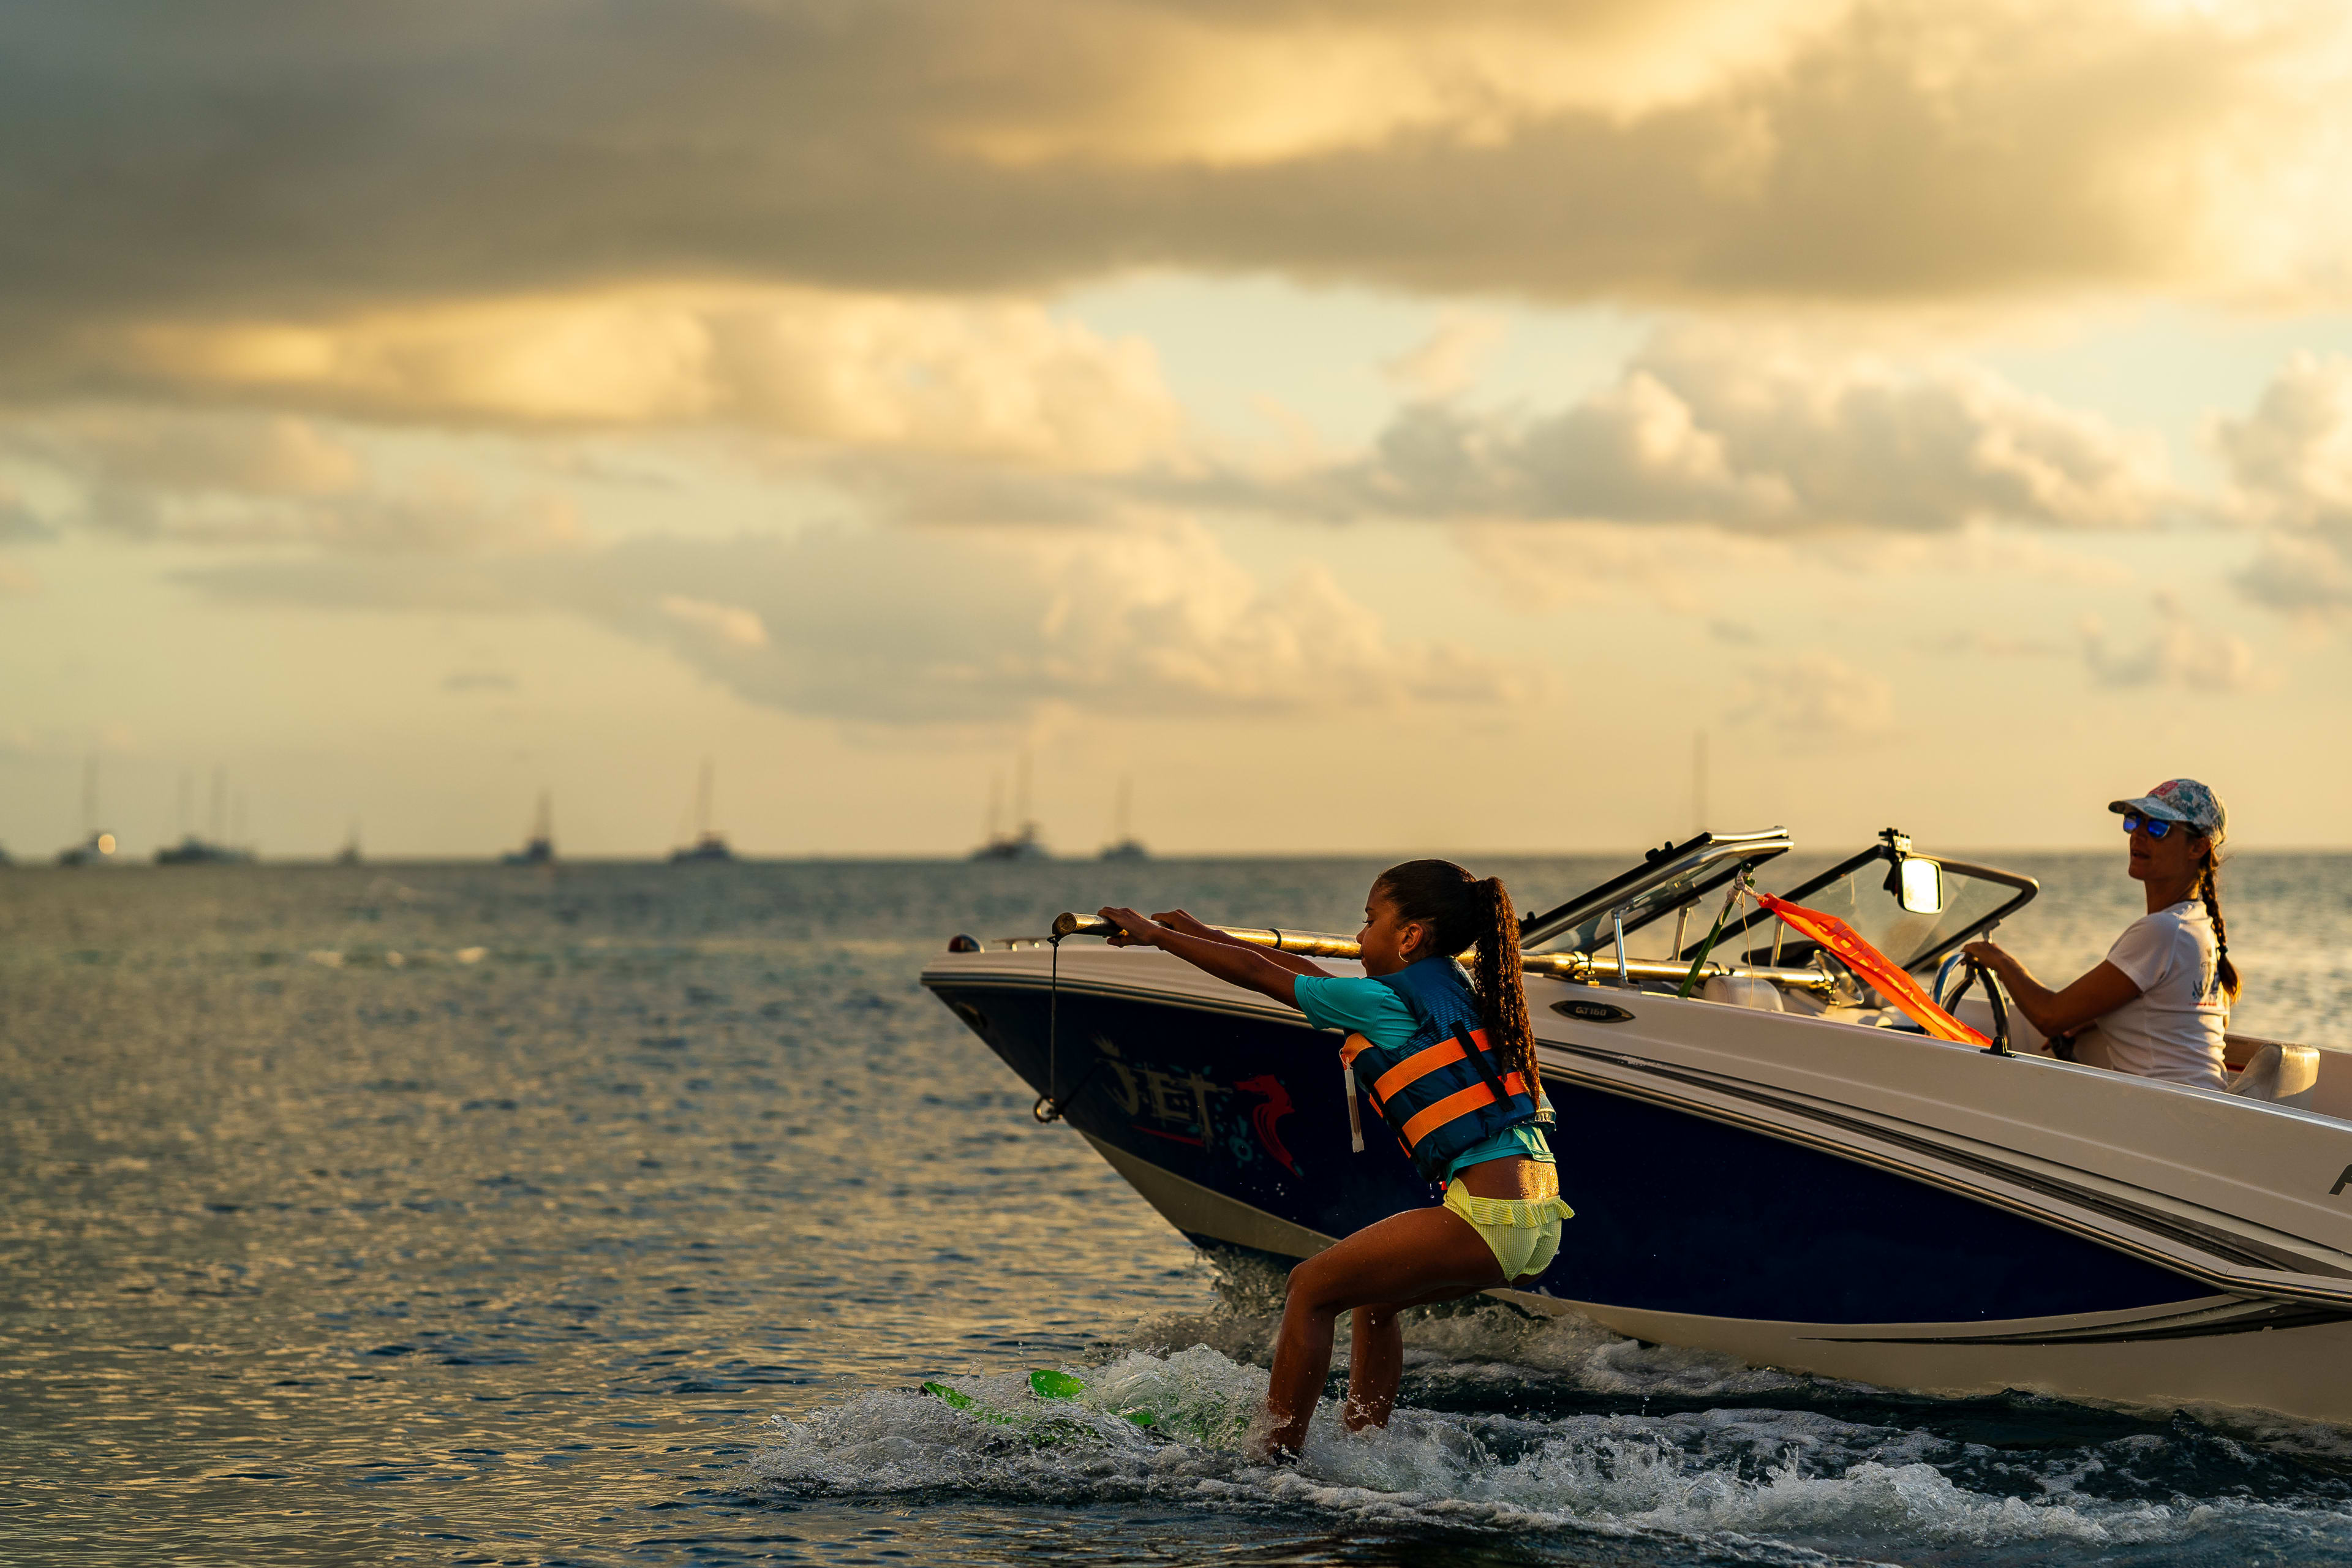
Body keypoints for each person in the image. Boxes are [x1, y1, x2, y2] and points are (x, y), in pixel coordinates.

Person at [1096, 860, 1569, 1464]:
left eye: (1370, 921)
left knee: (1309, 1288)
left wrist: (1159, 936)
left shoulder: (1385, 1001)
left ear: (1410, 936)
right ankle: (1364, 1447)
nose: (1360, 935)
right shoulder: (1449, 985)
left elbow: (1257, 974)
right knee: (1374, 1300)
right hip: (1537, 1217)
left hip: (1491, 1215)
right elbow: (1299, 971)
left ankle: (1273, 1460)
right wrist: (1204, 934)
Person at [1962, 778, 2238, 1089]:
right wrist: (2095, 1016)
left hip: (2164, 1117)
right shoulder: (2200, 927)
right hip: (2198, 1107)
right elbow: (2180, 1019)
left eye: (2159, 827)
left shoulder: (2163, 930)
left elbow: (2049, 1016)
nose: (2139, 836)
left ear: (2198, 847)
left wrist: (1997, 958)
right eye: (2134, 822)